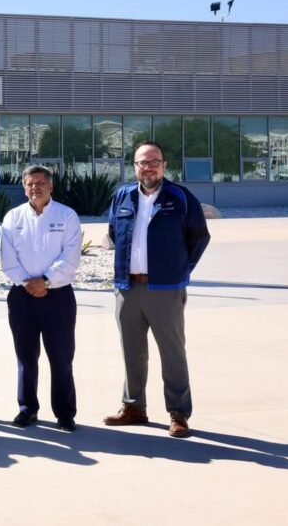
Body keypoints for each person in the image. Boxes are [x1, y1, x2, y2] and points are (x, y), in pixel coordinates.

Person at [104, 141, 210, 438]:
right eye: (142, 162)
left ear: (164, 165)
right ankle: (133, 407)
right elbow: (114, 233)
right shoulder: (122, 196)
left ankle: (178, 414)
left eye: (154, 162)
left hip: (165, 289)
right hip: (128, 288)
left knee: (172, 353)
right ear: (134, 166)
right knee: (132, 351)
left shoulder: (180, 197)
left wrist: (180, 269)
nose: (148, 168)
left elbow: (199, 237)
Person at [0, 166, 82, 431]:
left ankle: (65, 413)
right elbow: (8, 259)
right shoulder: (13, 217)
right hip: (22, 296)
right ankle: (27, 408)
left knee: (61, 357)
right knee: (25, 356)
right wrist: (28, 283)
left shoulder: (66, 216)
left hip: (58, 296)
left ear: (51, 187)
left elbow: (71, 257)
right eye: (30, 184)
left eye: (40, 183)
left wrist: (45, 281)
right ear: (24, 188)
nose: (35, 187)